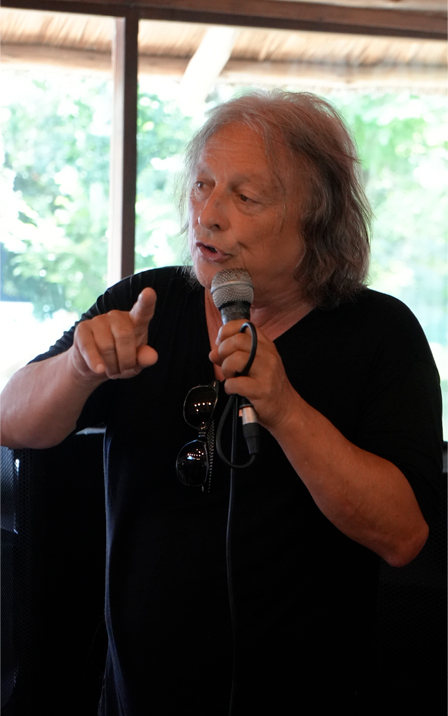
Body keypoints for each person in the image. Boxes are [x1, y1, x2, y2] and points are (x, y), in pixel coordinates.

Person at [1, 90, 443, 715]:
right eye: (203, 185)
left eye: (245, 197)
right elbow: (11, 421)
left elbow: (403, 535)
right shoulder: (146, 303)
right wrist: (78, 367)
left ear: (317, 217)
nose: (208, 215)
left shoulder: (380, 335)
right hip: (136, 697)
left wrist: (286, 410)